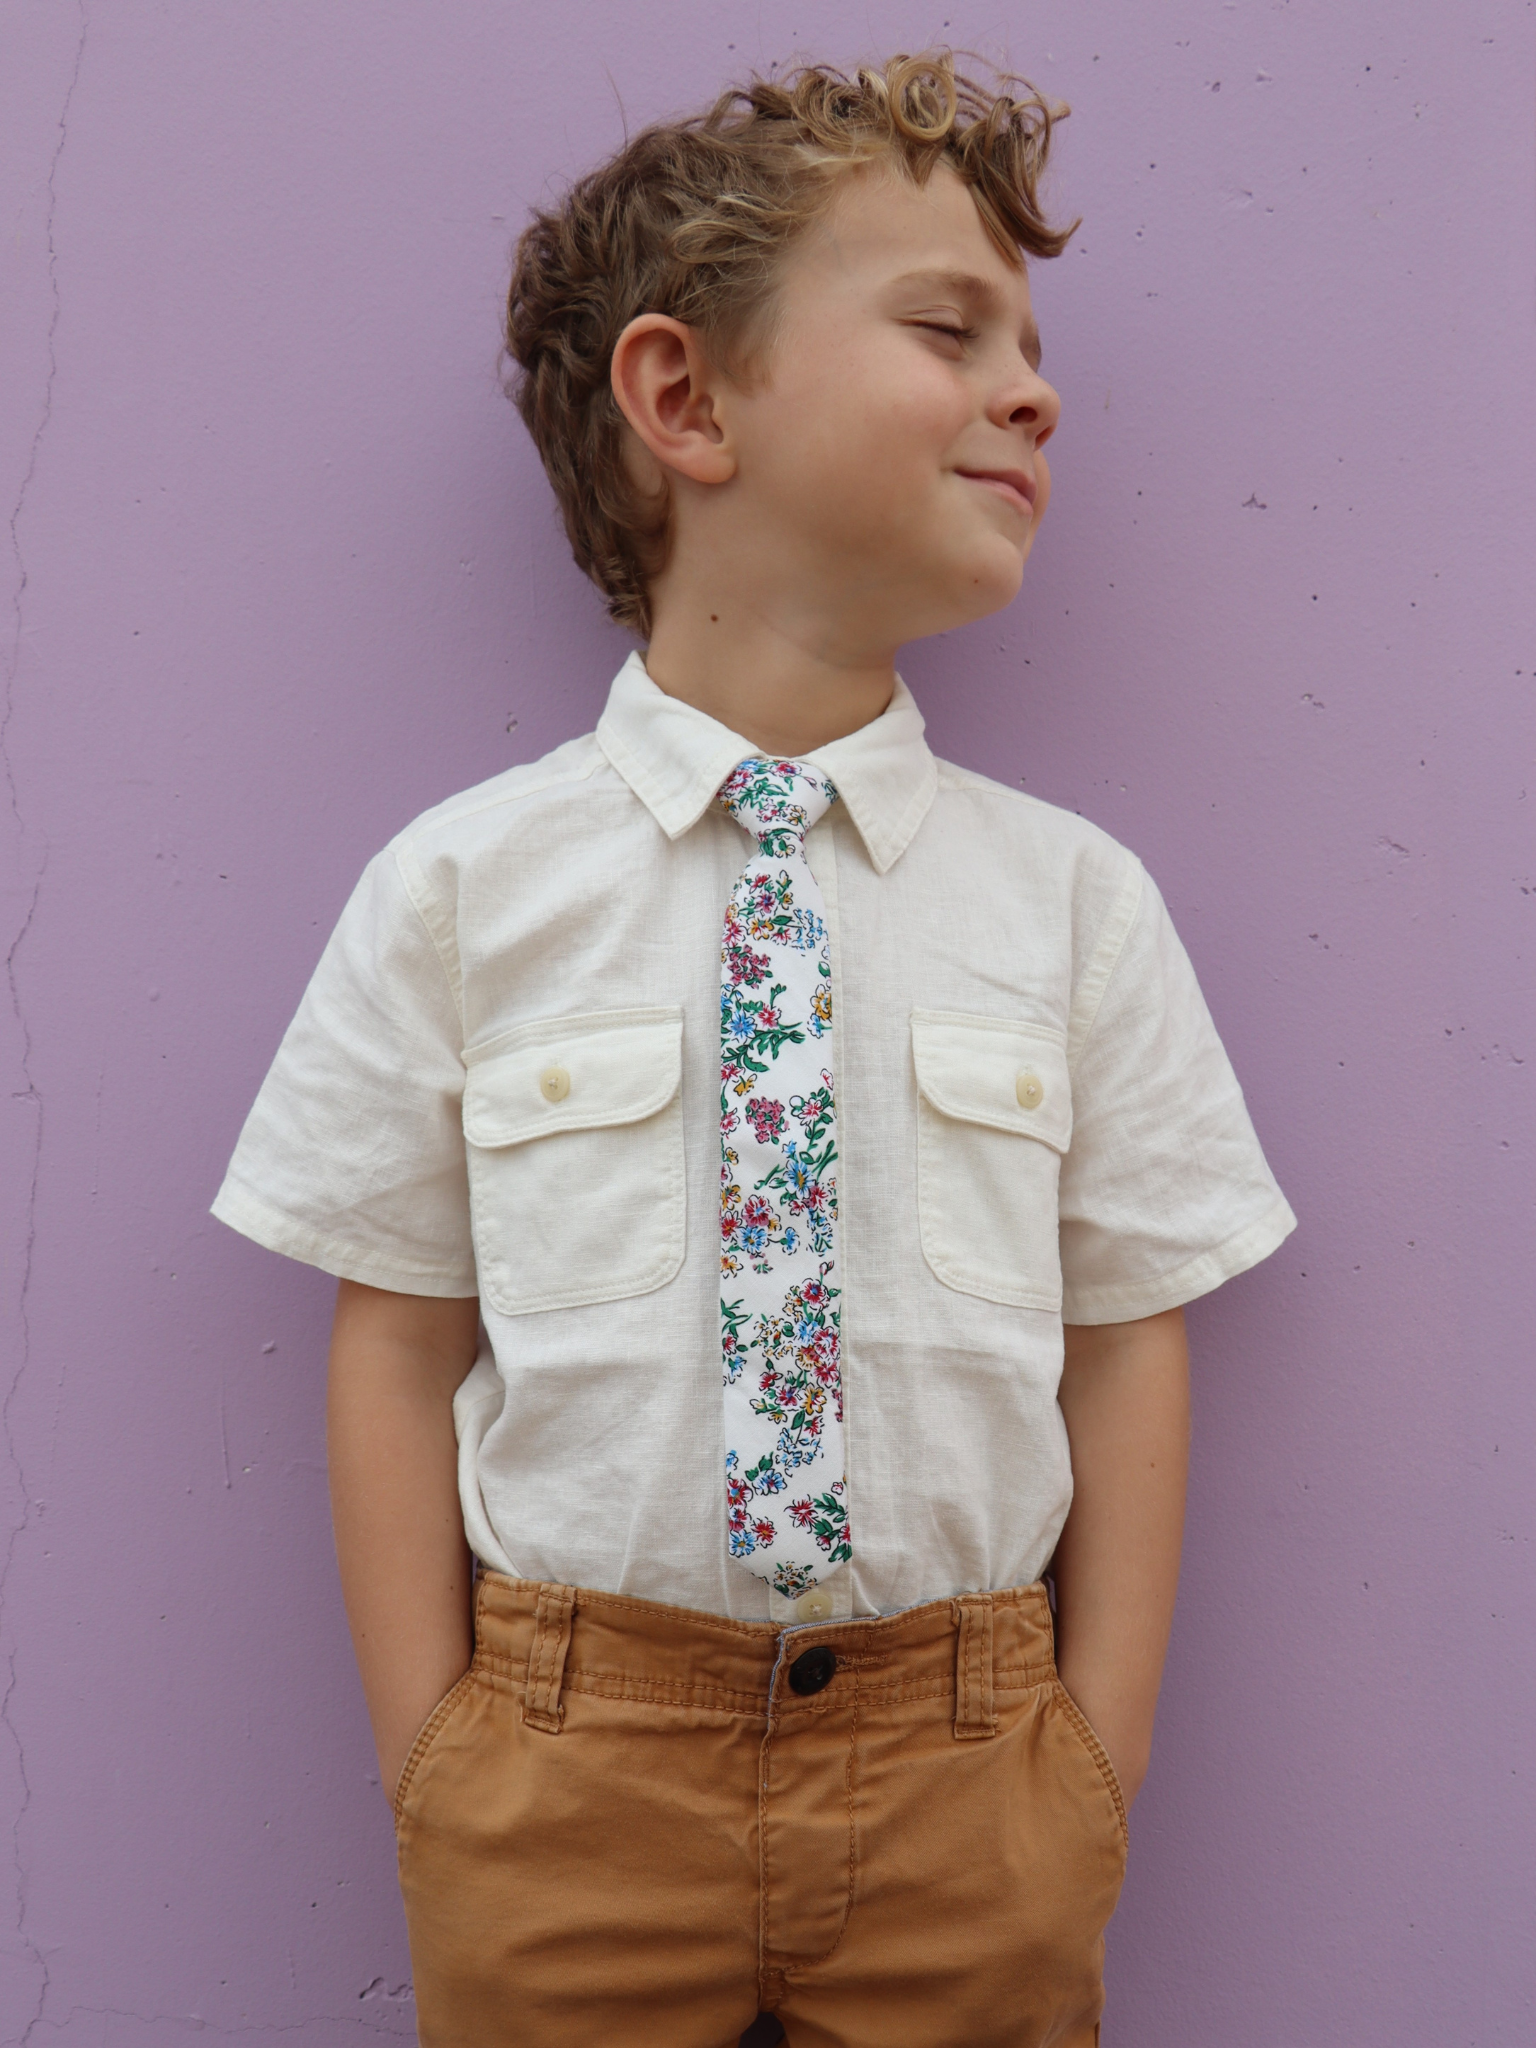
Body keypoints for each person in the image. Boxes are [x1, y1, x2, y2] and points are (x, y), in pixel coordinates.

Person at [214, 51, 1294, 2047]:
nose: (1037, 389)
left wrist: (1091, 1762)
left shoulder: (1073, 905)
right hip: (567, 1775)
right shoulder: (465, 887)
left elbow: (1133, 1321)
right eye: (949, 325)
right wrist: (439, 1768)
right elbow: (396, 1325)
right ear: (685, 400)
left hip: (972, 1771)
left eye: (1034, 343)